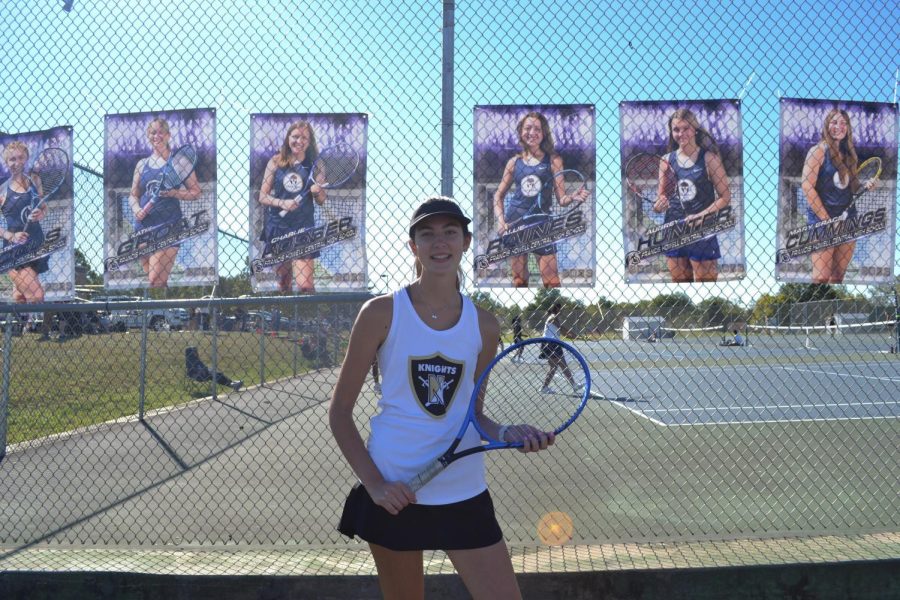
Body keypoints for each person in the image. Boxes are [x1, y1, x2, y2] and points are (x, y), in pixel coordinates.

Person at [330, 196, 554, 599]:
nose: (439, 243)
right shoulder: (379, 313)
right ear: (412, 245)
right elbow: (340, 414)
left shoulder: (485, 325)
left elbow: (475, 415)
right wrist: (377, 485)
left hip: (463, 491)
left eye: (450, 232)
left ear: (466, 242)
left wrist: (506, 432)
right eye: (427, 234)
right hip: (395, 491)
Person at [493, 112, 588, 288]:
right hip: (515, 223)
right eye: (528, 128)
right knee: (519, 282)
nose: (532, 132)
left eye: (537, 129)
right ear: (521, 132)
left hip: (541, 225)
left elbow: (562, 199)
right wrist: (501, 222)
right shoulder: (514, 162)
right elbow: (498, 195)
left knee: (552, 282)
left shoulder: (554, 160)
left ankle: (555, 314)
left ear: (543, 133)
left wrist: (574, 197)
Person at [652, 109, 731, 283]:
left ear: (694, 129)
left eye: (685, 128)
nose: (681, 133)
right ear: (671, 133)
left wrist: (700, 217)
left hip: (702, 228)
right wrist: (659, 205)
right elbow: (660, 200)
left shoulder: (709, 158)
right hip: (674, 229)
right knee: (680, 285)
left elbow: (725, 197)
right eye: (676, 130)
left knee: (707, 287)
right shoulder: (666, 160)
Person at [801, 109, 873, 284]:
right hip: (822, 219)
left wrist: (866, 186)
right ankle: (815, 309)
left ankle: (831, 310)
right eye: (834, 122)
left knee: (838, 276)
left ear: (847, 128)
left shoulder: (849, 156)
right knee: (821, 278)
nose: (839, 127)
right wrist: (827, 220)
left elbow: (853, 187)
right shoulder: (818, 151)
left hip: (848, 218)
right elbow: (807, 186)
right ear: (827, 125)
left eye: (843, 123)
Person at [127, 118, 201, 288]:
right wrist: (136, 208)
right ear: (148, 136)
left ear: (168, 135)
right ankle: (163, 313)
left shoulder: (179, 162)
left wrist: (174, 193)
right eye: (153, 132)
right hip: (143, 227)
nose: (157, 136)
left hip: (169, 226)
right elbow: (133, 195)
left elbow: (195, 192)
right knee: (156, 284)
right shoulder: (141, 165)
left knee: (156, 281)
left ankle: (161, 313)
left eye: (161, 132)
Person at [258, 121, 326, 293]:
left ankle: (310, 318)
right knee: (284, 285)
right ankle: (286, 318)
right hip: (278, 227)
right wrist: (282, 203)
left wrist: (317, 192)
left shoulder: (316, 164)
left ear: (310, 142)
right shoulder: (275, 161)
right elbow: (262, 196)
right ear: (288, 138)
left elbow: (321, 200)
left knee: (306, 287)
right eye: (295, 136)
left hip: (303, 227)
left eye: (304, 138)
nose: (299, 141)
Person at [0, 141, 49, 303]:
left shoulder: (34, 180)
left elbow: (43, 207)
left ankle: (14, 328)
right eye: (12, 159)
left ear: (26, 158)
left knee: (20, 296)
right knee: (36, 296)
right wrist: (11, 236)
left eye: (20, 158)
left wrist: (40, 213)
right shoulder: (2, 189)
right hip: (16, 250)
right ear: (6, 163)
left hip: (36, 246)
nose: (16, 162)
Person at [540, 302, 583, 394]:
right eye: (561, 308)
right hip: (550, 344)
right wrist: (574, 334)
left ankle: (573, 385)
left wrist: (574, 337)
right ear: (557, 309)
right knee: (557, 366)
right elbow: (562, 328)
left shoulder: (555, 318)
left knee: (558, 365)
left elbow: (563, 333)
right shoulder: (552, 317)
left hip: (554, 344)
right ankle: (545, 387)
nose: (562, 310)